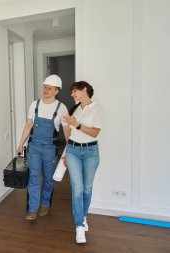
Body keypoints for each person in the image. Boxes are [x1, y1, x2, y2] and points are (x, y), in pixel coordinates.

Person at [17, 75, 69, 220]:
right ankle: (32, 209)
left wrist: (69, 150)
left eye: (49, 88)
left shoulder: (61, 108)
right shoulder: (35, 104)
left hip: (50, 148)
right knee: (33, 177)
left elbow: (66, 131)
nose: (46, 90)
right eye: (45, 87)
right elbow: (28, 125)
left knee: (48, 178)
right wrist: (21, 144)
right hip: (34, 146)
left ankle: (45, 204)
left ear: (56, 91)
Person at [63, 81, 102, 244]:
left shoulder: (97, 108)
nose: (72, 94)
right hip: (72, 151)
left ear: (84, 90)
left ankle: (83, 216)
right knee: (77, 188)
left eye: (74, 91)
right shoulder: (74, 109)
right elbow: (68, 132)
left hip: (91, 152)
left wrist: (76, 124)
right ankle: (79, 226)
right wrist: (65, 153)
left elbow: (94, 133)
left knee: (87, 188)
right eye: (71, 92)